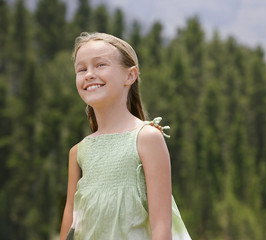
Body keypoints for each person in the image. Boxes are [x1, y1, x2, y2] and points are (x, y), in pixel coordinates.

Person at [59, 32, 191, 240]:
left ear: (130, 76)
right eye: (81, 69)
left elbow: (161, 226)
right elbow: (70, 222)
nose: (89, 74)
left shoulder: (147, 138)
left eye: (100, 65)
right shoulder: (78, 152)